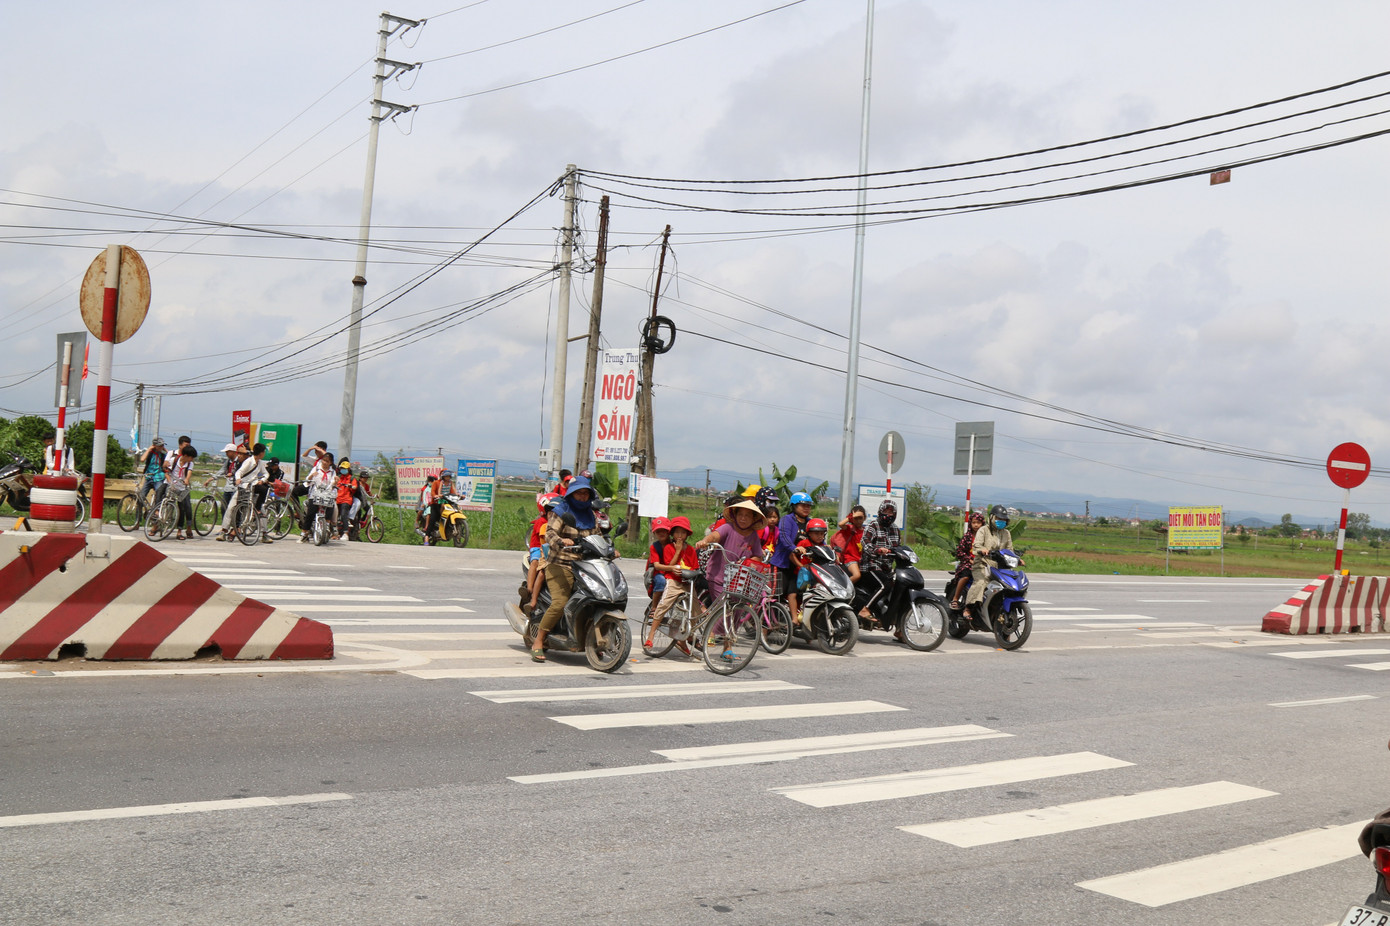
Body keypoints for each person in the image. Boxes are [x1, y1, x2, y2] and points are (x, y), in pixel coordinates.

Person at [532, 476, 602, 662]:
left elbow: (598, 536)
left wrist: (610, 548)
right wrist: (561, 541)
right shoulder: (561, 511)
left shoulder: (591, 515)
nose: (582, 496)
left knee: (598, 598)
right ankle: (539, 640)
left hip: (585, 566)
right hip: (560, 563)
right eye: (578, 492)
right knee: (561, 602)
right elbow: (550, 533)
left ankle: (593, 638)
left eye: (585, 493)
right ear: (571, 494)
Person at [694, 497, 767, 603]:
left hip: (739, 581)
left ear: (753, 518)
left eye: (747, 516)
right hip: (718, 577)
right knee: (723, 609)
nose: (743, 518)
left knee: (737, 610)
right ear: (735, 515)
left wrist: (747, 563)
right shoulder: (728, 528)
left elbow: (757, 555)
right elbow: (714, 536)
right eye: (740, 514)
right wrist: (705, 541)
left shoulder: (753, 535)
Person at [644, 516, 700, 652]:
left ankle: (687, 637)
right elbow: (670, 564)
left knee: (695, 610)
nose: (680, 535)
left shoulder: (691, 550)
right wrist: (678, 550)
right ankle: (650, 636)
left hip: (687, 582)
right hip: (673, 580)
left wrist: (690, 571)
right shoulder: (669, 547)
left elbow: (694, 567)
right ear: (673, 534)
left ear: (687, 534)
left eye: (683, 532)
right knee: (664, 605)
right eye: (677, 532)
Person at [964, 505, 1021, 616]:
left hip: (1000, 567)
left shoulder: (1006, 533)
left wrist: (1018, 559)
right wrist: (983, 550)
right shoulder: (983, 530)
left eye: (1004, 520)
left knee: (1010, 585)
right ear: (992, 518)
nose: (1002, 521)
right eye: (999, 519)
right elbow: (977, 546)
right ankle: (968, 607)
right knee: (981, 582)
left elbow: (1009, 549)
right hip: (983, 564)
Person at [771, 491, 814, 622]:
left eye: (808, 505)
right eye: (803, 505)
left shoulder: (810, 522)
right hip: (782, 564)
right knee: (775, 595)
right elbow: (784, 537)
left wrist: (826, 547)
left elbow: (817, 537)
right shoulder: (787, 520)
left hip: (799, 567)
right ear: (794, 506)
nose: (806, 508)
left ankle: (795, 622)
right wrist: (794, 548)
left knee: (795, 593)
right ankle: (764, 628)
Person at [217, 443, 269, 542]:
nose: (239, 456)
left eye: (241, 453)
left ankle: (265, 534)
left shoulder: (260, 463)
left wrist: (263, 480)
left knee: (261, 510)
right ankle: (224, 531)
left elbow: (266, 473)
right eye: (239, 453)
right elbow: (238, 472)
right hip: (243, 488)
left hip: (253, 488)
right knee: (231, 508)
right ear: (261, 453)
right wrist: (238, 479)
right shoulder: (248, 461)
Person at [524, 494, 558, 612]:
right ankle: (530, 592)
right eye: (550, 512)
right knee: (538, 565)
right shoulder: (542, 523)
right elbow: (545, 541)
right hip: (539, 548)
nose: (553, 515)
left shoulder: (560, 523)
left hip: (553, 550)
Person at [949, 510, 987, 608]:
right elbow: (960, 552)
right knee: (966, 576)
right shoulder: (967, 537)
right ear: (970, 523)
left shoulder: (986, 537)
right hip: (968, 563)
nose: (976, 525)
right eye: (974, 522)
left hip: (983, 564)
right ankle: (955, 599)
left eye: (978, 523)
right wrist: (969, 560)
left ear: (982, 524)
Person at [300, 451, 337, 542]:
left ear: (330, 463)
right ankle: (305, 533)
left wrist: (335, 483)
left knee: (330, 507)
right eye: (324, 460)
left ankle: (327, 525)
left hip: (326, 494)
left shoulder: (332, 472)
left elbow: (332, 483)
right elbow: (307, 479)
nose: (324, 463)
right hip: (315, 493)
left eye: (327, 461)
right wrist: (312, 476)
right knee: (311, 513)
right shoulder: (316, 469)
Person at [166, 445, 197, 540]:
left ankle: (181, 530)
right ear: (186, 456)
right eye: (191, 457)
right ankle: (156, 526)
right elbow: (166, 472)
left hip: (183, 488)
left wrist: (187, 479)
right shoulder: (173, 461)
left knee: (184, 508)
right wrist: (170, 483)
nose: (192, 460)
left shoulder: (190, 464)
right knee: (164, 503)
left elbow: (189, 473)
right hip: (172, 486)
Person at [831, 505, 868, 584]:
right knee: (857, 575)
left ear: (864, 518)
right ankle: (843, 588)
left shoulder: (866, 531)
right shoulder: (849, 528)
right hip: (851, 558)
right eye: (855, 518)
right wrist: (850, 517)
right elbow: (841, 524)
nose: (858, 520)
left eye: (860, 518)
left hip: (862, 559)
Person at [644, 517, 672, 607]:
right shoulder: (654, 547)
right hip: (659, 573)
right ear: (654, 533)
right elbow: (657, 566)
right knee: (661, 581)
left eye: (664, 530)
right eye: (658, 531)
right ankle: (654, 607)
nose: (661, 533)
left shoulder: (675, 545)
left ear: (669, 531)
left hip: (673, 573)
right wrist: (672, 568)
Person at [137, 438, 167, 511]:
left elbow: (170, 459)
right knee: (141, 497)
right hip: (149, 477)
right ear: (154, 446)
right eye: (159, 446)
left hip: (158, 477)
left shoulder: (163, 455)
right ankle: (138, 518)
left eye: (162, 445)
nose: (161, 447)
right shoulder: (150, 454)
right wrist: (149, 449)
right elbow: (142, 459)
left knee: (159, 495)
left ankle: (156, 513)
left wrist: (165, 450)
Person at [334, 459, 359, 541]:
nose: (342, 470)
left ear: (348, 469)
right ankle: (334, 533)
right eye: (342, 468)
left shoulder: (352, 479)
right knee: (334, 516)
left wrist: (351, 486)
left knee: (344, 514)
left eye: (344, 468)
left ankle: (345, 533)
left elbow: (355, 487)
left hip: (346, 499)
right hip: (337, 499)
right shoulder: (339, 477)